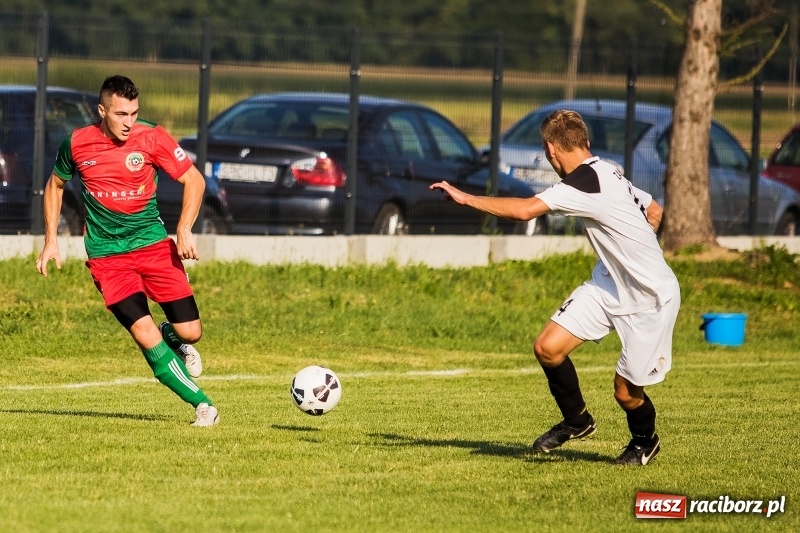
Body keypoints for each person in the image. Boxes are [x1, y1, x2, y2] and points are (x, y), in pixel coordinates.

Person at [430, 109, 680, 465]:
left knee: (625, 392)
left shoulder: (583, 182)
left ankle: (645, 442)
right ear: (586, 142)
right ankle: (577, 420)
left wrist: (466, 198)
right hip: (608, 284)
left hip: (650, 299)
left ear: (550, 149)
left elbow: (524, 211)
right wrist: (634, 252)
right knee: (548, 347)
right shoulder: (607, 169)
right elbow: (655, 210)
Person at [35, 75, 219, 427]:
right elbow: (55, 184)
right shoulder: (76, 143)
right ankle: (203, 405)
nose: (128, 122)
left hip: (152, 247)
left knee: (191, 333)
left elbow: (193, 179)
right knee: (143, 334)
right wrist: (51, 241)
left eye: (134, 113)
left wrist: (183, 228)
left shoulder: (152, 137)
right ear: (102, 111)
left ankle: (173, 335)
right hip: (107, 258)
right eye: (121, 114)